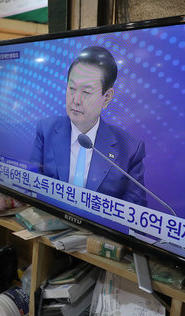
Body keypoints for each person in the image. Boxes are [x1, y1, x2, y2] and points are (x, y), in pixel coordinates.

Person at [29, 46, 147, 206]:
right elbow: (29, 184)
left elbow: (135, 209)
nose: (75, 100)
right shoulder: (46, 129)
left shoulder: (130, 148)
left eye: (86, 92)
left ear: (106, 98)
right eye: (71, 89)